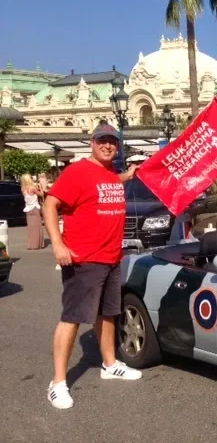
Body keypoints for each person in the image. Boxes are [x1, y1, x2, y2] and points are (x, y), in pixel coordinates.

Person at [42, 121, 139, 410]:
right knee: (73, 317)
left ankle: (109, 364)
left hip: (111, 257)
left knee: (108, 314)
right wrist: (58, 245)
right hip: (84, 258)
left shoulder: (109, 173)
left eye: (112, 141)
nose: (108, 145)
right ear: (91, 143)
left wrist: (127, 176)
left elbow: (104, 185)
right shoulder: (76, 171)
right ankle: (57, 382)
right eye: (102, 141)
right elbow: (50, 204)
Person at [21, 174, 45, 250]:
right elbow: (41, 195)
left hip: (28, 209)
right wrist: (41, 188)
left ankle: (31, 245)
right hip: (35, 208)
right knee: (38, 226)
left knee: (31, 227)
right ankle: (38, 244)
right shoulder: (33, 188)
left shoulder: (23, 188)